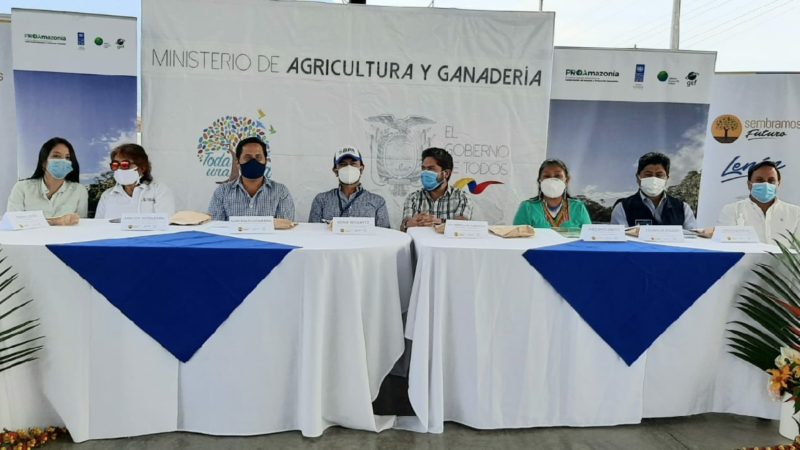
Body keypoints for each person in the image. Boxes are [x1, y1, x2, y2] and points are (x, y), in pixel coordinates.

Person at [208, 136, 295, 221]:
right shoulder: (222, 192)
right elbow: (215, 227)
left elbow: (284, 227)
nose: (253, 161)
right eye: (247, 157)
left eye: (258, 157)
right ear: (237, 162)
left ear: (265, 161)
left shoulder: (281, 192)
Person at [6, 137, 88, 224]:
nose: (63, 161)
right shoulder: (22, 188)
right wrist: (55, 222)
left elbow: (81, 224)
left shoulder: (79, 190)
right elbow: (12, 222)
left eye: (67, 158)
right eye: (56, 156)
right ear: (44, 162)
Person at [717, 160, 800, 244]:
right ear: (749, 184)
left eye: (771, 181)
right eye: (760, 180)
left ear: (778, 184)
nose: (766, 184)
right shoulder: (732, 210)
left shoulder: (796, 213)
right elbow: (725, 245)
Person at [610, 152, 698, 229]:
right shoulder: (622, 208)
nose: (654, 179)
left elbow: (692, 238)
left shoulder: (683, 208)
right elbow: (621, 240)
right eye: (648, 174)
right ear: (638, 177)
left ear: (667, 178)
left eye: (659, 175)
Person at [308, 146, 390, 228]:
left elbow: (385, 234)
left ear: (361, 169)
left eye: (353, 164)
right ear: (335, 171)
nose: (348, 168)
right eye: (343, 164)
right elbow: (312, 232)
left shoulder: (378, 202)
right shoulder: (321, 200)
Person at [95, 143, 175, 219]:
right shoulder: (107, 195)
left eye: (125, 165)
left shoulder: (159, 191)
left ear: (142, 167)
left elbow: (165, 222)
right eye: (115, 165)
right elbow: (98, 225)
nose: (119, 169)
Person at [401, 147, 472, 231]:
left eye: (431, 169)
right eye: (423, 168)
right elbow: (403, 227)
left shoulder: (462, 197)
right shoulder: (413, 198)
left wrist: (438, 221)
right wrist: (408, 224)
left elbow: (461, 227)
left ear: (446, 173)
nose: (425, 173)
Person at [513, 159, 591, 229]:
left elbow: (589, 236)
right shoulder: (528, 207)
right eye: (546, 176)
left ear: (566, 181)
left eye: (558, 176)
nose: (552, 180)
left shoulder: (578, 207)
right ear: (540, 181)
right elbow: (518, 237)